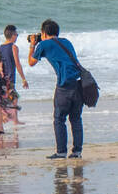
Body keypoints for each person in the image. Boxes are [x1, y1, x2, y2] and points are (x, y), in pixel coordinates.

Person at [28, 19, 85, 159]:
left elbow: (31, 63)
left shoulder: (43, 45)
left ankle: (61, 152)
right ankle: (77, 152)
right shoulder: (66, 42)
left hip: (64, 85)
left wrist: (32, 45)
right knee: (76, 118)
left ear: (43, 33)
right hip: (79, 83)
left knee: (59, 119)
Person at [0, 25, 27, 126]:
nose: (17, 36)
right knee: (14, 97)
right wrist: (23, 79)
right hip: (10, 77)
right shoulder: (14, 47)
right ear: (12, 35)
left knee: (5, 97)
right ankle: (13, 119)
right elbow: (17, 63)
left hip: (1, 77)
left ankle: (5, 116)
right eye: (16, 34)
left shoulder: (1, 47)